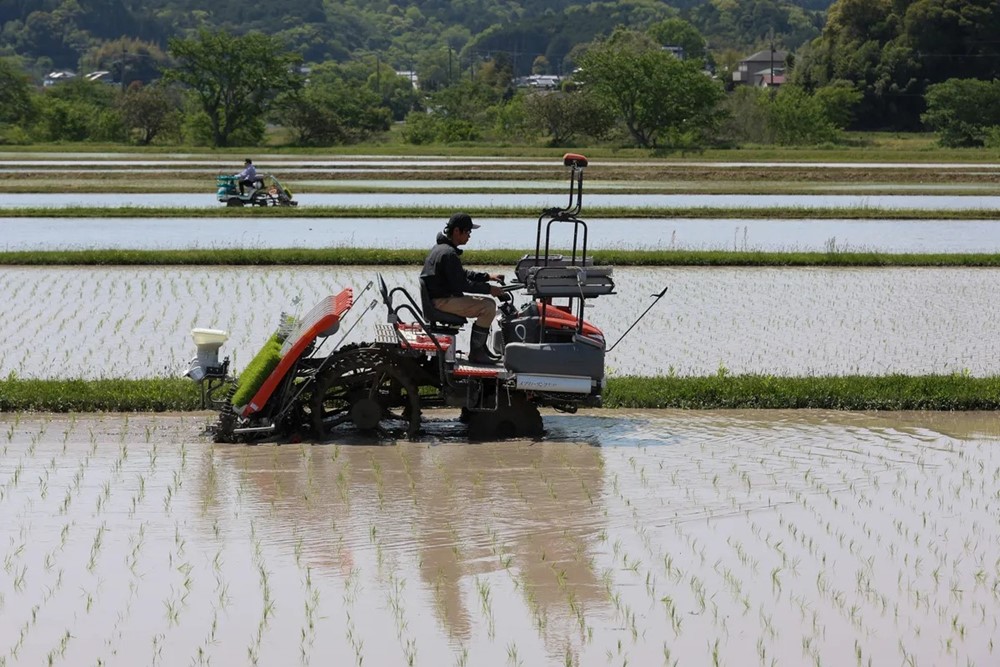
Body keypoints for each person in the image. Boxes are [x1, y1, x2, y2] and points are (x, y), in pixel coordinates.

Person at [421, 212, 505, 364]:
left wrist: (487, 276)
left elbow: (461, 274)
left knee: (488, 304)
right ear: (456, 231)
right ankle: (477, 352)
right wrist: (489, 289)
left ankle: (480, 349)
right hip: (442, 301)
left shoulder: (442, 249)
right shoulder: (448, 254)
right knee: (488, 306)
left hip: (441, 298)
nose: (469, 236)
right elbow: (462, 284)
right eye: (467, 232)